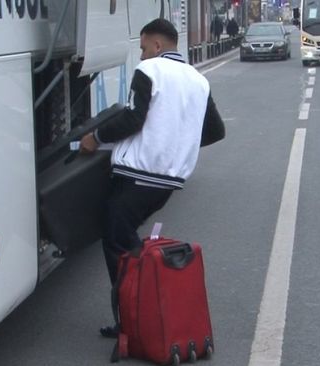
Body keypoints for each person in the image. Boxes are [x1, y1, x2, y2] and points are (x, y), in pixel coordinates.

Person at [78, 18, 225, 338]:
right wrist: (176, 143)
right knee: (123, 238)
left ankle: (135, 319)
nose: (142, 55)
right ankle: (145, 308)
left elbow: (133, 118)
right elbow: (215, 131)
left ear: (157, 45)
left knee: (117, 242)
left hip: (138, 175)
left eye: (143, 48)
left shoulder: (150, 71)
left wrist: (96, 136)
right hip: (168, 180)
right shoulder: (198, 80)